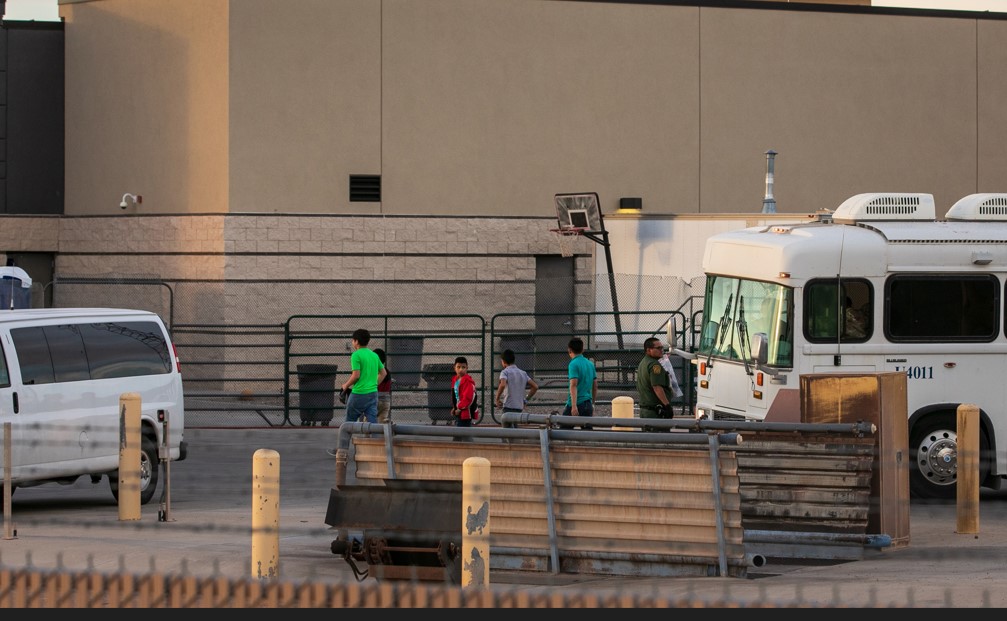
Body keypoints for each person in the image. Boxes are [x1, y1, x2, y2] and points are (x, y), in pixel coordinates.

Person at [340, 328, 386, 425]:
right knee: (373, 424)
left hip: (359, 394)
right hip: (373, 393)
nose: (352, 342)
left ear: (356, 341)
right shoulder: (374, 355)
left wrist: (346, 385)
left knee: (348, 424)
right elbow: (383, 373)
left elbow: (356, 375)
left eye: (353, 340)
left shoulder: (356, 355)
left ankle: (345, 440)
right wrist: (374, 384)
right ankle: (375, 439)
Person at [637, 337, 673, 425]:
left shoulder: (644, 362)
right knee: (660, 437)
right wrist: (667, 406)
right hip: (656, 411)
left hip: (646, 410)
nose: (662, 350)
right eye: (658, 348)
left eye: (662, 348)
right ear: (649, 350)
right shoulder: (655, 365)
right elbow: (657, 387)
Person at [562, 337, 597, 428]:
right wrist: (592, 403)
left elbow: (573, 385)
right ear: (583, 349)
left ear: (569, 350)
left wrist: (573, 406)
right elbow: (595, 386)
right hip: (588, 403)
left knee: (562, 432)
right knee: (587, 435)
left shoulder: (573, 364)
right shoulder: (590, 364)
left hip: (576, 403)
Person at [494, 348, 538, 416]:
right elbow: (535, 386)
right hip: (519, 406)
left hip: (508, 406)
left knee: (507, 425)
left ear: (504, 361)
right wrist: (526, 400)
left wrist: (497, 399)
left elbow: (502, 385)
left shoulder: (505, 372)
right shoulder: (523, 373)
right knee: (515, 425)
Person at [451, 356, 478, 438]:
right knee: (463, 436)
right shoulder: (455, 380)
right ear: (454, 368)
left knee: (461, 436)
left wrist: (459, 408)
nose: (461, 369)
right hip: (459, 412)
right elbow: (456, 395)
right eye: (458, 367)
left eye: (463, 367)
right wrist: (454, 408)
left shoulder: (468, 382)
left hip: (465, 413)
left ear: (467, 368)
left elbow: (468, 399)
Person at [374, 348, 393, 424]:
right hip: (386, 401)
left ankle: (368, 435)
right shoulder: (387, 371)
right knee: (382, 421)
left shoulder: (375, 371)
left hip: (375, 400)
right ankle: (386, 424)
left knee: (368, 421)